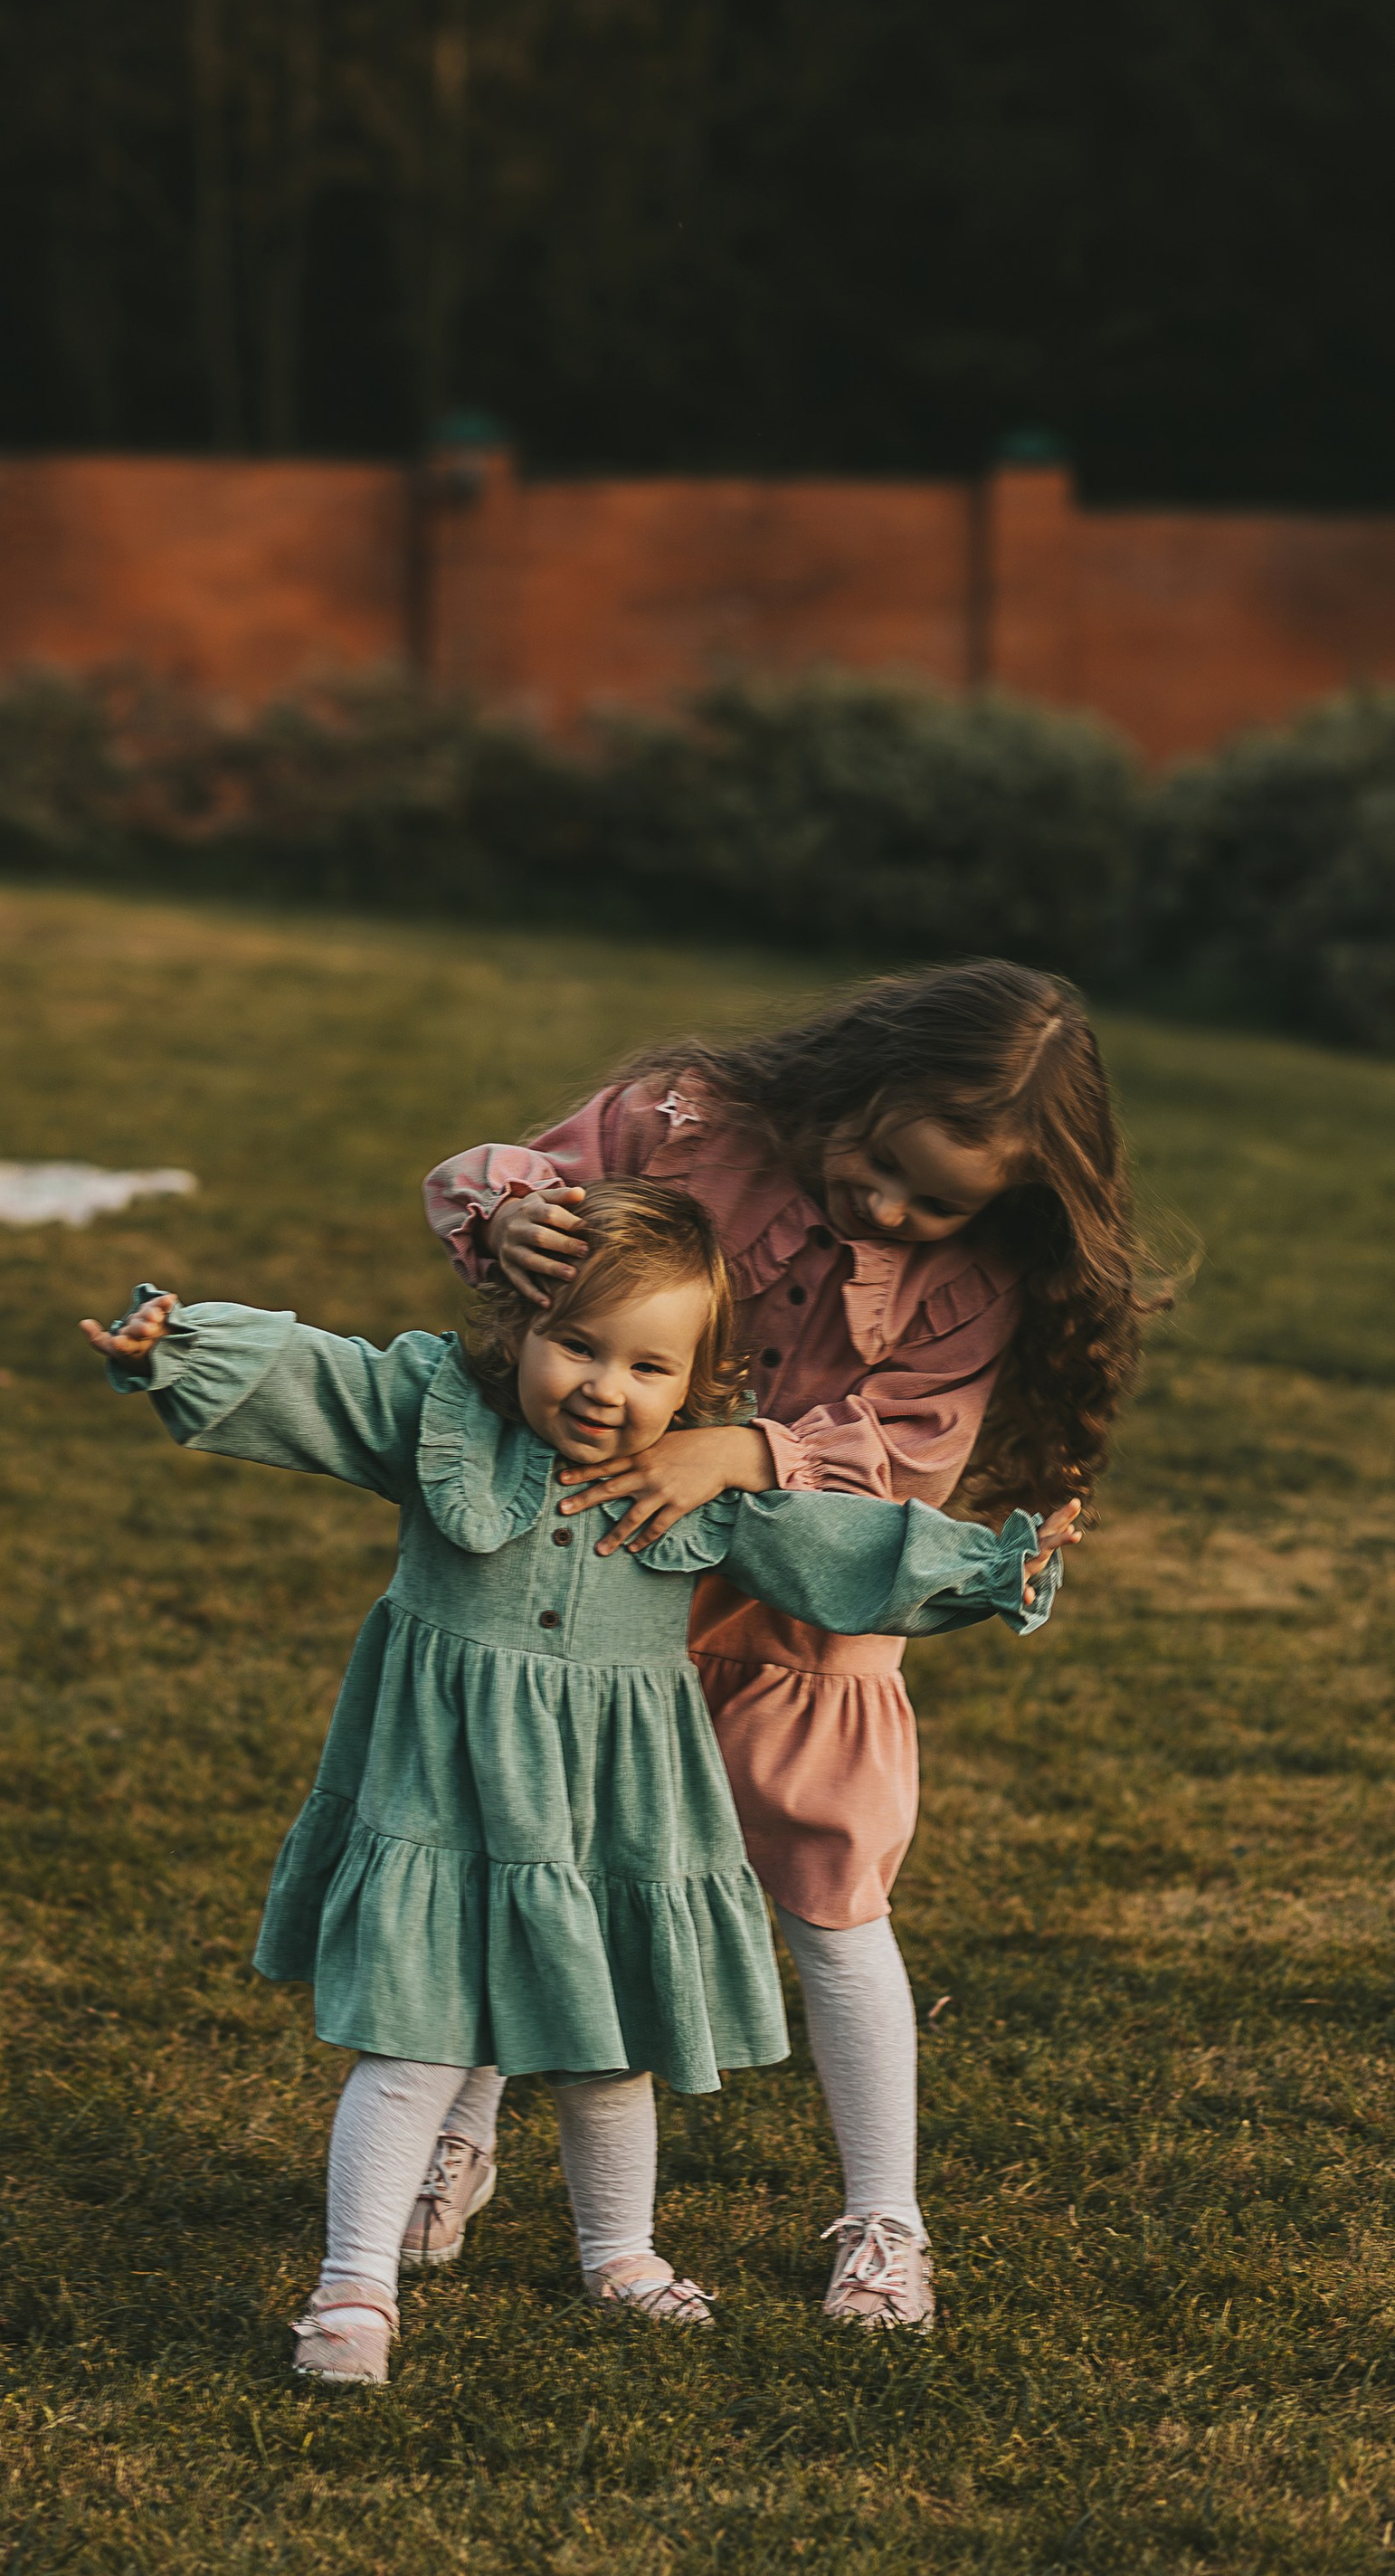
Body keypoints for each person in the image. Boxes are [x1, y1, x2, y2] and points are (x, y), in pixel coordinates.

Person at [83, 1181, 1072, 2385]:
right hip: (444, 1802)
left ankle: (622, 2256)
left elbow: (845, 1549)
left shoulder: (693, 1488)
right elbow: (320, 1377)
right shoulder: (442, 1420)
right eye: (578, 1347)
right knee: (415, 2044)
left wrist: (995, 1568)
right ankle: (352, 2288)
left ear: (695, 1383)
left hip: (613, 1815)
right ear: (519, 1332)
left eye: (649, 1368)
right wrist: (179, 1344)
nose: (607, 1387)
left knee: (610, 2051)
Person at [410, 960, 1150, 2326]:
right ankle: (461, 2130)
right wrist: (515, 1222)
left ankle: (885, 2217)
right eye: (879, 1164)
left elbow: (912, 1455)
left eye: (938, 1201)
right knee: (535, 1860)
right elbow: (507, 1187)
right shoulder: (690, 1129)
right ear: (852, 1082)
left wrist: (743, 1449)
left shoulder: (972, 1283)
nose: (892, 1209)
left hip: (804, 1634)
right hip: (605, 1592)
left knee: (832, 1902)